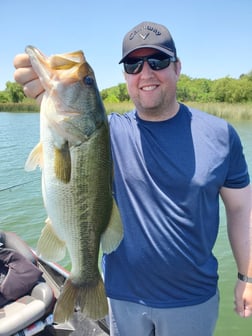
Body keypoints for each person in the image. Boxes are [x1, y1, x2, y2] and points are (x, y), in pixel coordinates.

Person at [13, 21, 252, 336]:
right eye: (133, 63)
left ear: (178, 68)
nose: (146, 72)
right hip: (121, 297)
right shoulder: (106, 133)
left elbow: (241, 209)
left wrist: (247, 277)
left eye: (158, 61)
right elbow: (73, 131)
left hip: (192, 300)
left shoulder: (221, 134)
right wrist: (44, 87)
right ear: (125, 75)